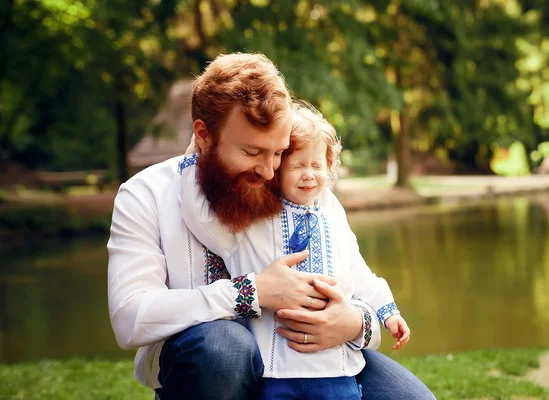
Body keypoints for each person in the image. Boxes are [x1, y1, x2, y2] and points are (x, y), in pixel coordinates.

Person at [107, 52, 435, 400]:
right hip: (210, 371)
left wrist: (356, 322)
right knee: (225, 346)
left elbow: (351, 272)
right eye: (251, 152)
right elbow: (130, 318)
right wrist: (252, 292)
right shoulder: (145, 195)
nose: (268, 171)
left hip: (311, 360)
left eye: (278, 152)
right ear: (203, 135)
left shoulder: (299, 191)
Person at [180, 101, 411, 399]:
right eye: (298, 165)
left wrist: (388, 311)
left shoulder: (332, 216)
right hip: (277, 370)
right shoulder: (253, 219)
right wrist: (195, 156)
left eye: (317, 165)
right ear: (276, 170)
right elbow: (200, 217)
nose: (309, 175)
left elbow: (359, 272)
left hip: (335, 370)